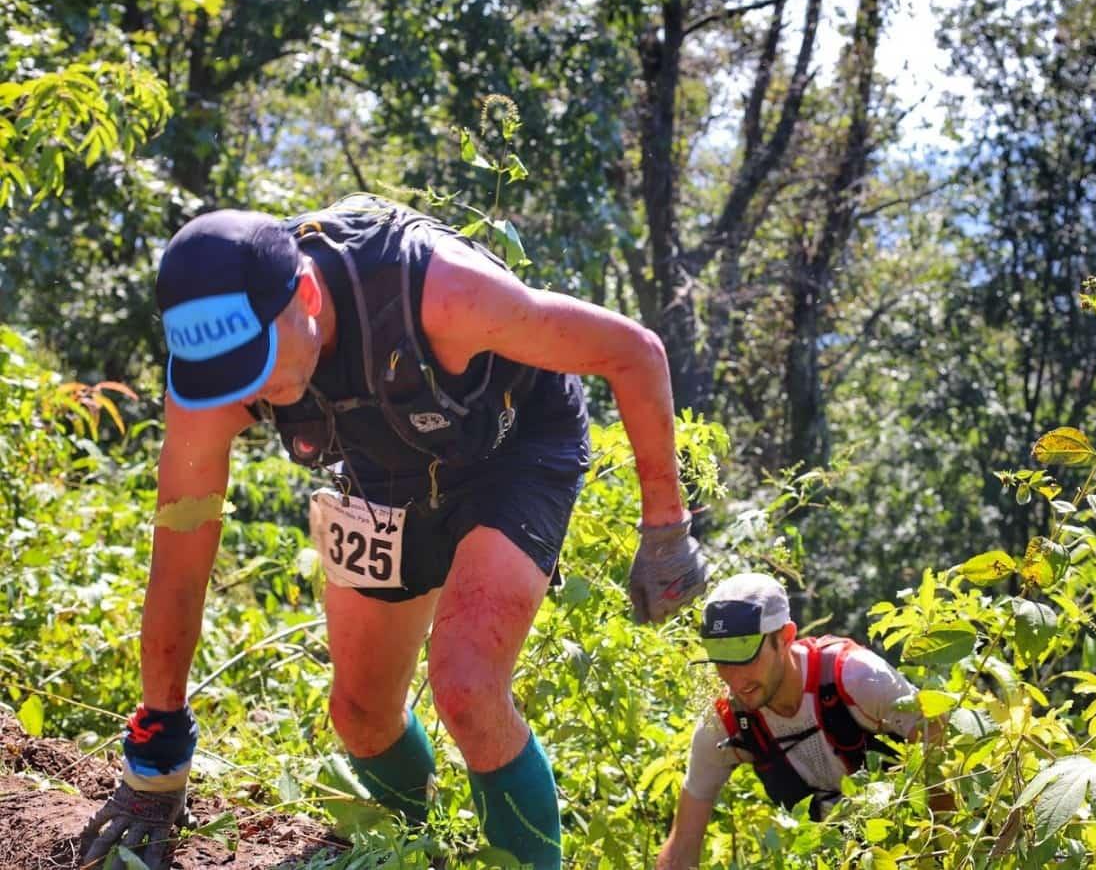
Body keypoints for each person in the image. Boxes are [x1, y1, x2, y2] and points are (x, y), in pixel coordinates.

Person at [79, 193, 710, 870]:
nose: (248, 386)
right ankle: (415, 854)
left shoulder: (441, 291)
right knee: (360, 713)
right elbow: (179, 555)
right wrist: (157, 755)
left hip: (515, 446)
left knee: (465, 685)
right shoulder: (210, 380)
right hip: (386, 461)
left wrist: (666, 528)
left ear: (309, 295)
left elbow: (634, 351)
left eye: (257, 357)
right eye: (227, 373)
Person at [655, 573, 947, 870]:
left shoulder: (856, 676)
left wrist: (943, 854)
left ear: (785, 638)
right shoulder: (724, 722)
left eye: (747, 656)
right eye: (722, 661)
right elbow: (680, 849)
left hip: (915, 848)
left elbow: (938, 742)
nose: (736, 679)